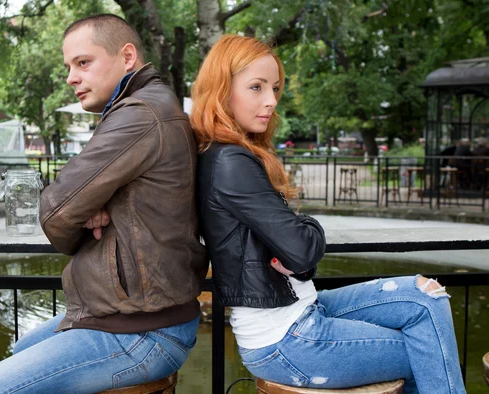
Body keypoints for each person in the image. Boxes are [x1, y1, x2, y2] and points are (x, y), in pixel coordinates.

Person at [190, 35, 466, 393]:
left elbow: (297, 256)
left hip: (302, 312)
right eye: (256, 87)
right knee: (427, 349)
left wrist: (298, 246)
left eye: (274, 88)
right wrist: (308, 226)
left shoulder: (229, 154)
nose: (271, 100)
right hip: (287, 339)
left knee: (424, 298)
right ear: (221, 89)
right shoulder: (230, 161)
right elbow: (302, 248)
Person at [0, 14, 208, 393]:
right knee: (18, 351)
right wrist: (87, 207)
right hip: (122, 316)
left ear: (127, 56)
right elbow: (70, 200)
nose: (70, 78)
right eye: (69, 66)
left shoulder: (140, 115)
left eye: (83, 62)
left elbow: (54, 212)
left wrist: (79, 212)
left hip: (144, 332)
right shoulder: (144, 106)